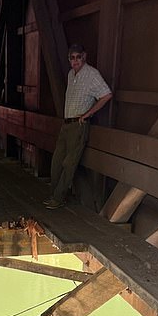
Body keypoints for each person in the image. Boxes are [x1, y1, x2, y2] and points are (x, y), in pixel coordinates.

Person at [44, 44, 112, 209]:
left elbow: (106, 95)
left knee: (69, 163)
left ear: (84, 56)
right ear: (69, 59)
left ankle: (58, 199)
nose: (75, 61)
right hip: (66, 124)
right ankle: (55, 195)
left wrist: (88, 114)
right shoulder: (70, 74)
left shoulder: (92, 74)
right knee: (57, 161)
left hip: (78, 125)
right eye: (72, 58)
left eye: (78, 57)